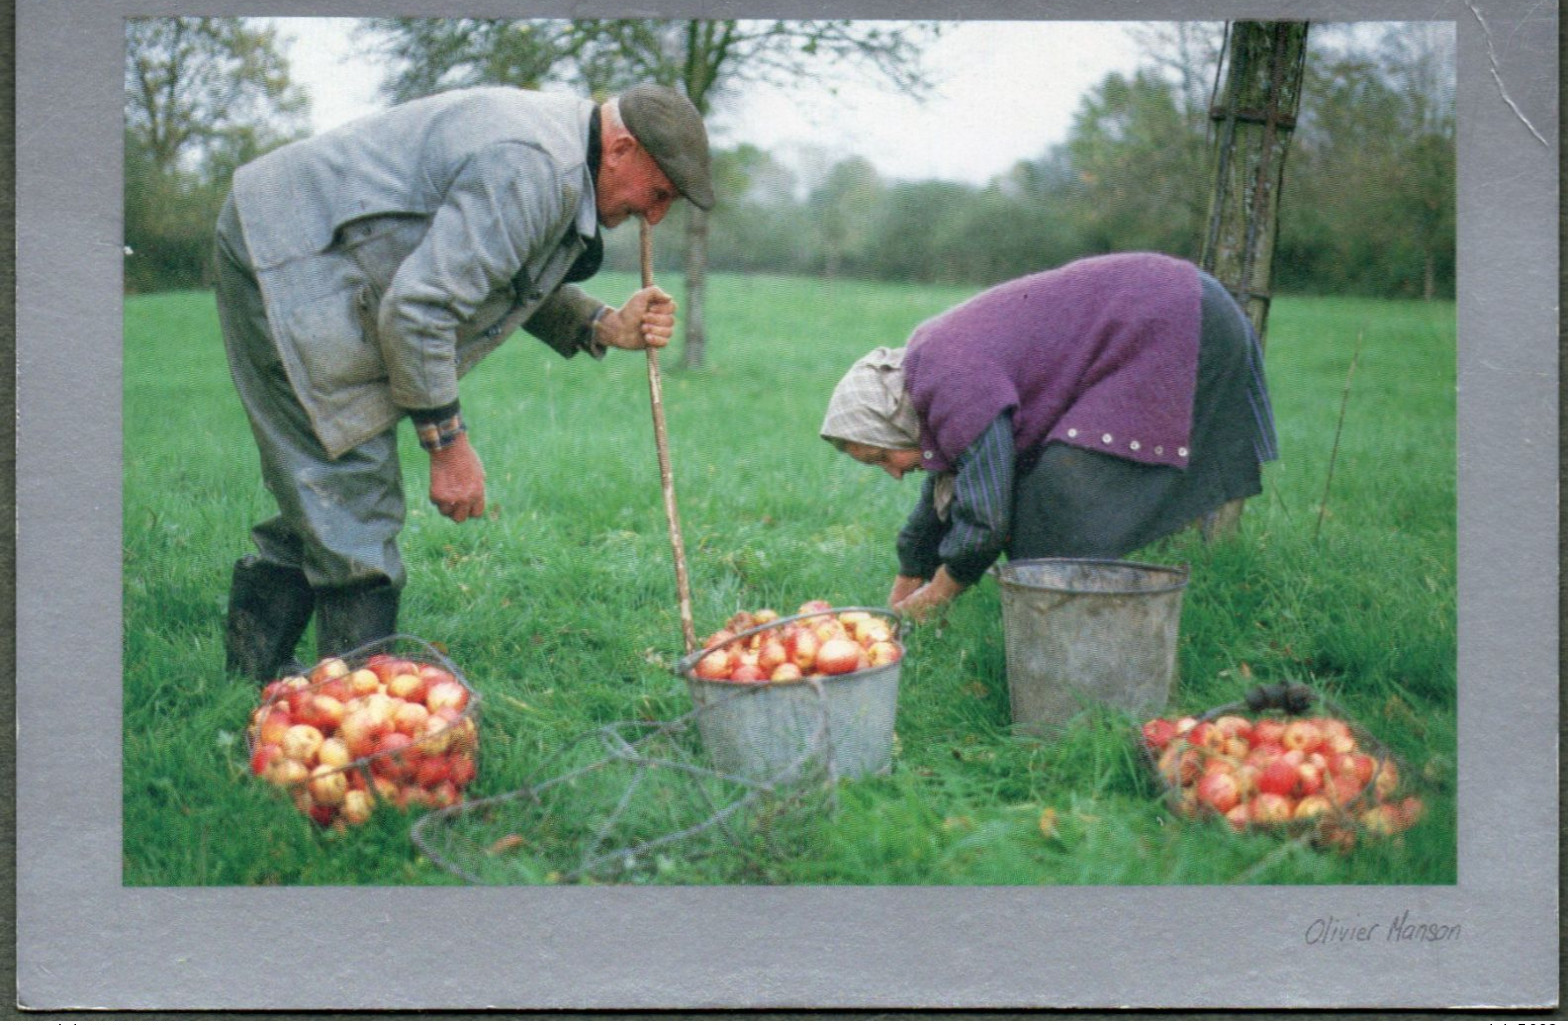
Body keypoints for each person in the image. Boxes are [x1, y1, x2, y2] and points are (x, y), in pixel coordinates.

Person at [214, 83, 714, 679]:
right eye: (656, 194)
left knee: (328, 487)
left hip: (316, 239)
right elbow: (420, 310)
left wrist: (603, 325)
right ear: (621, 149)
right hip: (286, 249)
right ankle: (359, 717)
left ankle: (256, 679)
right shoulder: (532, 168)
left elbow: (503, 269)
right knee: (349, 482)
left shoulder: (562, 160)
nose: (652, 215)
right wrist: (448, 448)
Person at [820, 252, 1278, 621]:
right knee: (1042, 505)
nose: (894, 472)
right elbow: (954, 483)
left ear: (892, 420)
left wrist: (938, 594)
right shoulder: (929, 376)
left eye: (882, 456)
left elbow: (987, 517)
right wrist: (910, 571)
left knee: (1052, 503)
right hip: (1171, 305)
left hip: (1174, 319)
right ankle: (1076, 631)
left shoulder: (948, 377)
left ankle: (1078, 645)